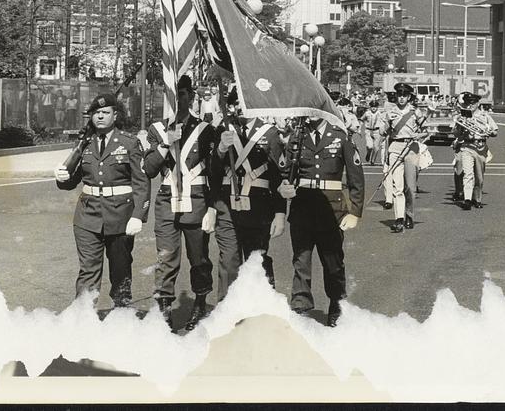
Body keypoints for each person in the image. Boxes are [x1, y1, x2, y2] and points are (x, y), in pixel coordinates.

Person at [54, 94, 150, 309]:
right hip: (87, 216)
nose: (100, 116)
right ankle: (83, 317)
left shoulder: (129, 142)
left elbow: (141, 182)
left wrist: (138, 216)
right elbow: (72, 180)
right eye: (96, 113)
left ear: (115, 115)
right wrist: (62, 176)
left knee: (120, 268)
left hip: (120, 217)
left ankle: (121, 313)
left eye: (105, 112)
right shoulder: (84, 143)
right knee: (88, 269)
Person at [143, 75, 218, 331]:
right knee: (166, 257)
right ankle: (164, 309)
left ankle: (199, 302)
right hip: (167, 200)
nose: (180, 100)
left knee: (199, 258)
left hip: (196, 199)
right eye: (175, 95)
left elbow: (215, 172)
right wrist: (167, 143)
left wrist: (212, 208)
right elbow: (150, 169)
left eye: (184, 94)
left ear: (192, 97)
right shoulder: (157, 130)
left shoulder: (205, 130)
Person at [277, 116, 365, 327]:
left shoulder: (340, 136)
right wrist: (284, 185)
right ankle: (300, 306)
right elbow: (284, 171)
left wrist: (355, 212)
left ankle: (336, 303)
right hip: (303, 207)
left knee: (333, 262)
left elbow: (356, 177)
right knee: (301, 260)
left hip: (331, 209)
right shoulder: (297, 136)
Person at [212, 87, 286, 298]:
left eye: (245, 104)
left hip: (259, 208)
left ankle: (262, 310)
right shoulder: (224, 131)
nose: (240, 109)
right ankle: (227, 313)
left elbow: (278, 177)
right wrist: (221, 150)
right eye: (236, 104)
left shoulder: (269, 133)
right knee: (228, 262)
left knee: (257, 261)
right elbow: (213, 172)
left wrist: (280, 214)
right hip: (228, 208)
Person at [379, 83, 429, 233]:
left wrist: (418, 136)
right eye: (399, 95)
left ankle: (409, 215)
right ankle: (399, 219)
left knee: (411, 188)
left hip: (411, 148)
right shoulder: (389, 112)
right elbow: (382, 132)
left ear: (409, 97)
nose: (401, 98)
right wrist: (388, 123)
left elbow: (426, 131)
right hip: (395, 148)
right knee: (397, 187)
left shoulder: (415, 112)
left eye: (404, 95)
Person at [452, 92, 498, 210]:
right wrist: (460, 127)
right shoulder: (462, 116)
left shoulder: (485, 116)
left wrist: (490, 132)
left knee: (479, 177)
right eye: (468, 103)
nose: (470, 105)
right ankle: (467, 199)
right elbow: (455, 133)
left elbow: (495, 131)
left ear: (478, 103)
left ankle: (476, 199)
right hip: (467, 146)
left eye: (472, 103)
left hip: (480, 147)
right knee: (468, 174)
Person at [360, 100, 383, 166]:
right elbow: (362, 120)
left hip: (377, 131)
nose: (373, 108)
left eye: (375, 107)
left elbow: (385, 121)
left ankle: (372, 161)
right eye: (372, 106)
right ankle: (369, 153)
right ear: (370, 107)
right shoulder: (367, 113)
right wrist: (359, 128)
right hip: (368, 130)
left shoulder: (380, 113)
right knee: (369, 146)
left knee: (376, 147)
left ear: (377, 107)